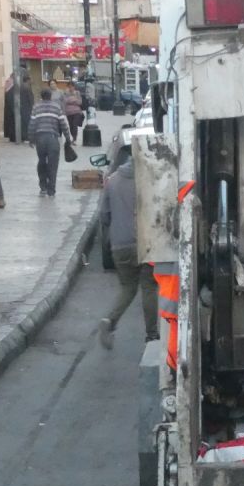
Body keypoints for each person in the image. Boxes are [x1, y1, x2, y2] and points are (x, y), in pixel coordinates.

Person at [97, 147, 158, 349]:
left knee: (128, 288)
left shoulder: (112, 180)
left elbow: (104, 215)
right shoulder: (149, 180)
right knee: (149, 287)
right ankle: (151, 335)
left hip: (119, 246)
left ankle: (110, 320)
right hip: (145, 243)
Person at [30, 87, 73, 197]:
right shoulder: (56, 107)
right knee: (53, 164)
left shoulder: (36, 107)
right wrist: (68, 138)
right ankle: (51, 189)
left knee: (42, 161)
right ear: (50, 96)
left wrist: (31, 139)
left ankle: (43, 187)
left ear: (41, 96)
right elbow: (63, 124)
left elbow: (32, 124)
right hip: (53, 138)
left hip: (40, 138)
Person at [17, 69, 34, 144]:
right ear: (28, 80)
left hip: (23, 107)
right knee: (27, 123)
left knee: (24, 123)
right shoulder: (27, 87)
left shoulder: (21, 86)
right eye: (31, 79)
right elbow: (30, 98)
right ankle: (27, 137)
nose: (32, 80)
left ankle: (24, 137)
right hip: (27, 108)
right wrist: (33, 106)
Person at [3, 73, 19, 143]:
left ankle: (12, 136)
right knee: (12, 123)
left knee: (11, 123)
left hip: (9, 109)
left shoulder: (10, 85)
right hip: (11, 109)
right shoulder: (13, 87)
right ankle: (13, 137)